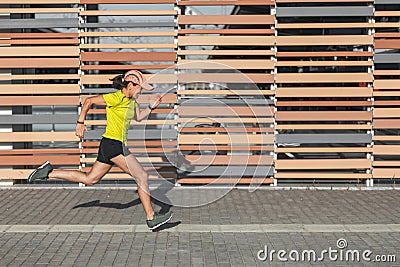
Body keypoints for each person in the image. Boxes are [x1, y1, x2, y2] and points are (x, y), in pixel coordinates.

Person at [27, 70, 172, 230]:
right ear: (130, 85)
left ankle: (48, 172)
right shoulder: (115, 97)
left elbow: (138, 117)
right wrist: (80, 122)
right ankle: (151, 217)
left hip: (113, 146)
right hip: (112, 144)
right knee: (142, 176)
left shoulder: (132, 102)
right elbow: (89, 101)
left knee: (90, 179)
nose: (141, 91)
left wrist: (151, 107)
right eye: (140, 88)